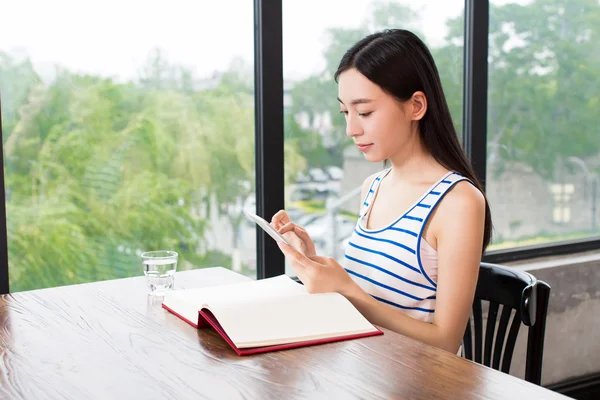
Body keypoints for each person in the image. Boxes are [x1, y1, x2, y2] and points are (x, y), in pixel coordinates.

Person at [271, 29, 492, 354]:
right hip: (365, 370)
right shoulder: (372, 187)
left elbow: (445, 342)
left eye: (365, 112)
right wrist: (313, 264)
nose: (351, 129)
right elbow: (377, 293)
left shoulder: (459, 202)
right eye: (345, 112)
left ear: (416, 105)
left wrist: (346, 290)